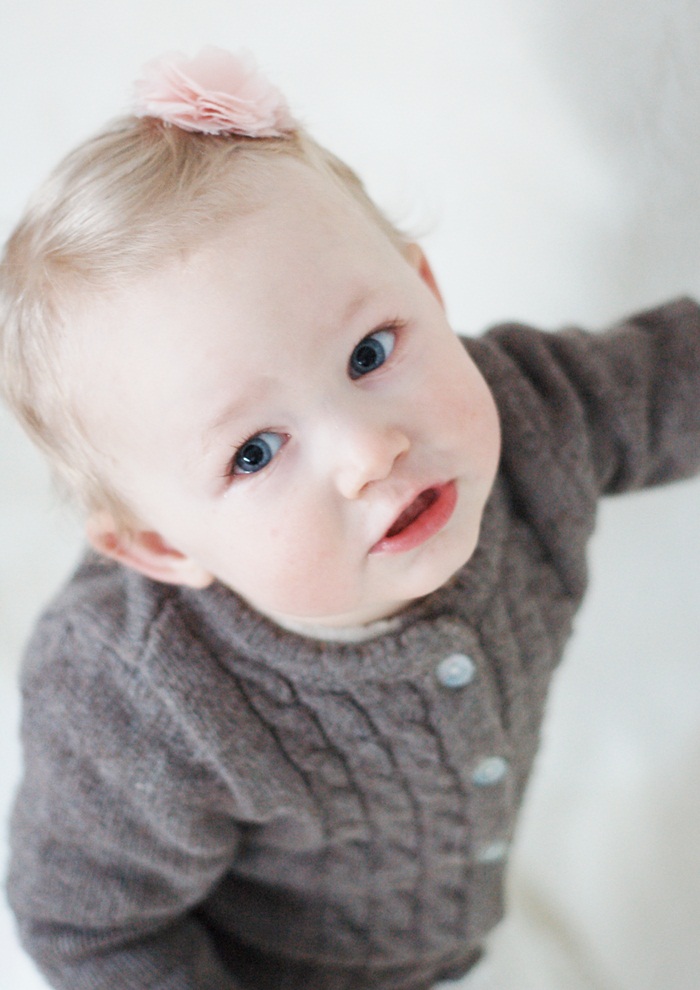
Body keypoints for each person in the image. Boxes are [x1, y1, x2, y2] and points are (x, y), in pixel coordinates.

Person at [2, 46, 699, 990]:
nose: (371, 451)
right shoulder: (137, 699)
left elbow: (674, 376)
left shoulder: (533, 411)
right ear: (160, 546)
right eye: (255, 451)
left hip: (459, 939)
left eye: (371, 351)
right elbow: (93, 930)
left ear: (428, 293)